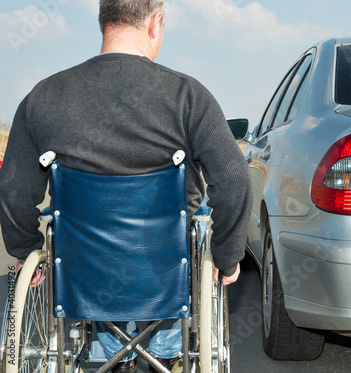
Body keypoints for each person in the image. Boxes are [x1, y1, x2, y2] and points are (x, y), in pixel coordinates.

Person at [0, 0, 252, 372]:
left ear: (105, 22)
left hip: (85, 272)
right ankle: (167, 350)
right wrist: (227, 255)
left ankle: (112, 353)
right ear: (156, 23)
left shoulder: (43, 98)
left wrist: (25, 250)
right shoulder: (187, 96)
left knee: (77, 230)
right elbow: (234, 180)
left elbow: (14, 192)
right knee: (192, 221)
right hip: (165, 267)